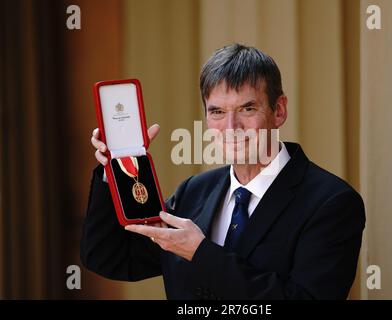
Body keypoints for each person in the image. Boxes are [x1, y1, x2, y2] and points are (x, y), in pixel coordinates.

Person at [81, 43, 365, 300]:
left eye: (247, 108)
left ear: (279, 111)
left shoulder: (332, 202)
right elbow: (110, 257)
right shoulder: (194, 191)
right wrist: (119, 164)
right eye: (217, 112)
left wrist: (201, 254)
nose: (231, 127)